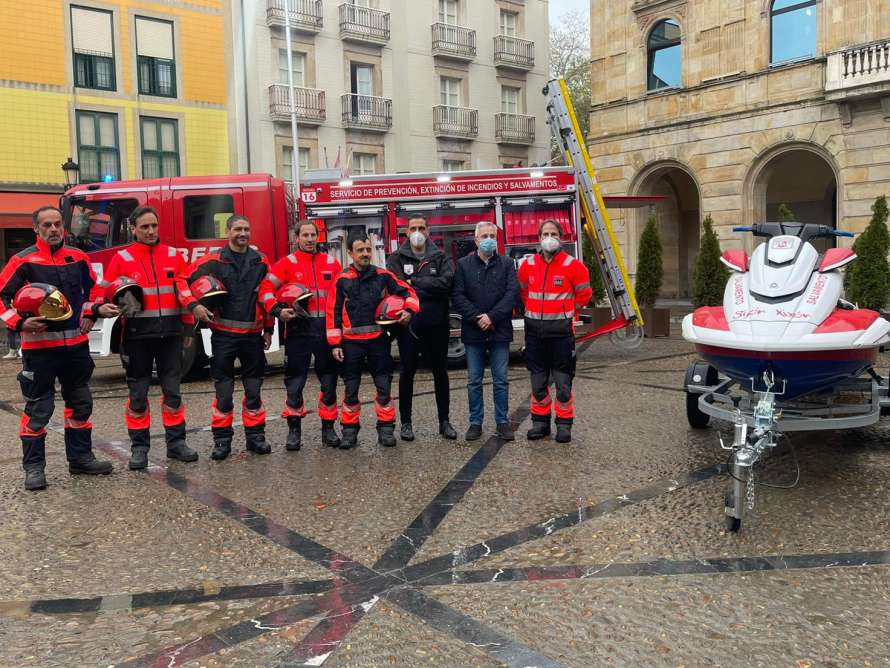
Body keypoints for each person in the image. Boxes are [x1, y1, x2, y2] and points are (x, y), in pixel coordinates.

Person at [0, 206, 117, 490]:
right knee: (39, 409)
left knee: (80, 404)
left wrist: (92, 312)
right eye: (47, 225)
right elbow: (1, 297)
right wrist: (18, 323)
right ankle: (34, 468)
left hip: (76, 347)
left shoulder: (77, 257)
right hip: (39, 352)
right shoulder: (22, 261)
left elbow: (93, 291)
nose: (53, 230)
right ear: (36, 229)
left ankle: (80, 459)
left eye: (57, 224)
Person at [104, 206, 198, 470]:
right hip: (136, 337)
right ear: (133, 228)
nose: (151, 231)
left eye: (154, 226)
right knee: (138, 394)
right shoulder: (121, 258)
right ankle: (139, 448)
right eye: (145, 227)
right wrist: (115, 302)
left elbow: (185, 294)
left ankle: (176, 444)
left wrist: (188, 329)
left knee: (173, 393)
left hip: (170, 335)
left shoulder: (173, 255)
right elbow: (107, 292)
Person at [180, 215, 275, 460]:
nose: (243, 233)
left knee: (253, 391)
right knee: (223, 393)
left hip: (253, 337)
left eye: (246, 229)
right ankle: (222, 441)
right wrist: (194, 306)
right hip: (224, 337)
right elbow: (182, 280)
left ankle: (256, 437)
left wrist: (269, 329)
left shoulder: (261, 261)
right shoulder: (213, 261)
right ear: (228, 231)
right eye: (238, 229)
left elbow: (266, 295)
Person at [326, 232, 419, 449]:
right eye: (360, 250)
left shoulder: (383, 275)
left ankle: (386, 430)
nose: (365, 254)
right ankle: (349, 432)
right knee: (351, 389)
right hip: (350, 344)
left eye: (368, 249)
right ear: (350, 253)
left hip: (378, 341)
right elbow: (333, 313)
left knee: (384, 386)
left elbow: (409, 292)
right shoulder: (342, 280)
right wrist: (335, 344)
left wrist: (409, 311)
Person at [259, 220, 343, 450]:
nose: (309, 239)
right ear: (296, 238)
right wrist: (278, 310)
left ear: (318, 237)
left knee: (329, 382)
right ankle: (294, 430)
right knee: (295, 383)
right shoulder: (287, 264)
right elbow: (265, 290)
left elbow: (341, 298)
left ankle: (328, 428)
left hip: (325, 332)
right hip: (298, 331)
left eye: (312, 235)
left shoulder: (332, 263)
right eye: (304, 235)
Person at [518, 220, 592, 443]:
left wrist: (565, 311)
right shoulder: (527, 264)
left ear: (561, 237)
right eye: (545, 233)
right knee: (538, 383)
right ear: (539, 238)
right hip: (534, 335)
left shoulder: (574, 266)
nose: (549, 237)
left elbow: (584, 296)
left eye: (553, 233)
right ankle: (540, 424)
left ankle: (563, 424)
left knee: (563, 384)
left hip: (561, 336)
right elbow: (523, 292)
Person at [385, 216, 457, 441]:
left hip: (437, 325)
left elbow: (447, 284)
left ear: (428, 231)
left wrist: (415, 282)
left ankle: (444, 421)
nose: (417, 232)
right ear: (406, 232)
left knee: (440, 373)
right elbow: (395, 286)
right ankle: (406, 423)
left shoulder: (440, 256)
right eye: (413, 228)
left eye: (421, 228)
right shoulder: (396, 258)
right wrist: (425, 285)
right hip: (407, 326)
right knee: (407, 374)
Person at [451, 221, 519, 442]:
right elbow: (458, 295)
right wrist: (477, 317)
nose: (489, 239)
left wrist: (492, 317)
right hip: (474, 331)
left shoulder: (508, 264)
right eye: (485, 236)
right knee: (474, 380)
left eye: (492, 235)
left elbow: (511, 294)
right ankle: (475, 423)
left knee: (500, 379)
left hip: (499, 330)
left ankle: (502, 422)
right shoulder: (463, 265)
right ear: (476, 240)